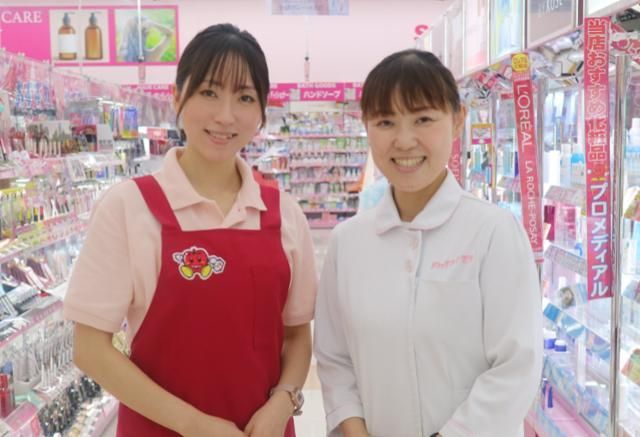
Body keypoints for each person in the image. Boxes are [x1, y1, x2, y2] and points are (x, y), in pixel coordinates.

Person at [65, 23, 317, 437]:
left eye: (245, 97)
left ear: (261, 111)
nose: (225, 115)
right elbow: (90, 348)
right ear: (177, 96)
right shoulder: (128, 208)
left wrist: (284, 400)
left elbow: (296, 334)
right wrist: (194, 424)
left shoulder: (285, 215)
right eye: (209, 92)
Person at [314, 49, 543, 437]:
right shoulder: (347, 243)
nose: (404, 141)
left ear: (457, 120)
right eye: (386, 122)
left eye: (423, 119)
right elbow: (335, 359)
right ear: (366, 126)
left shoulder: (494, 233)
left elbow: (517, 365)